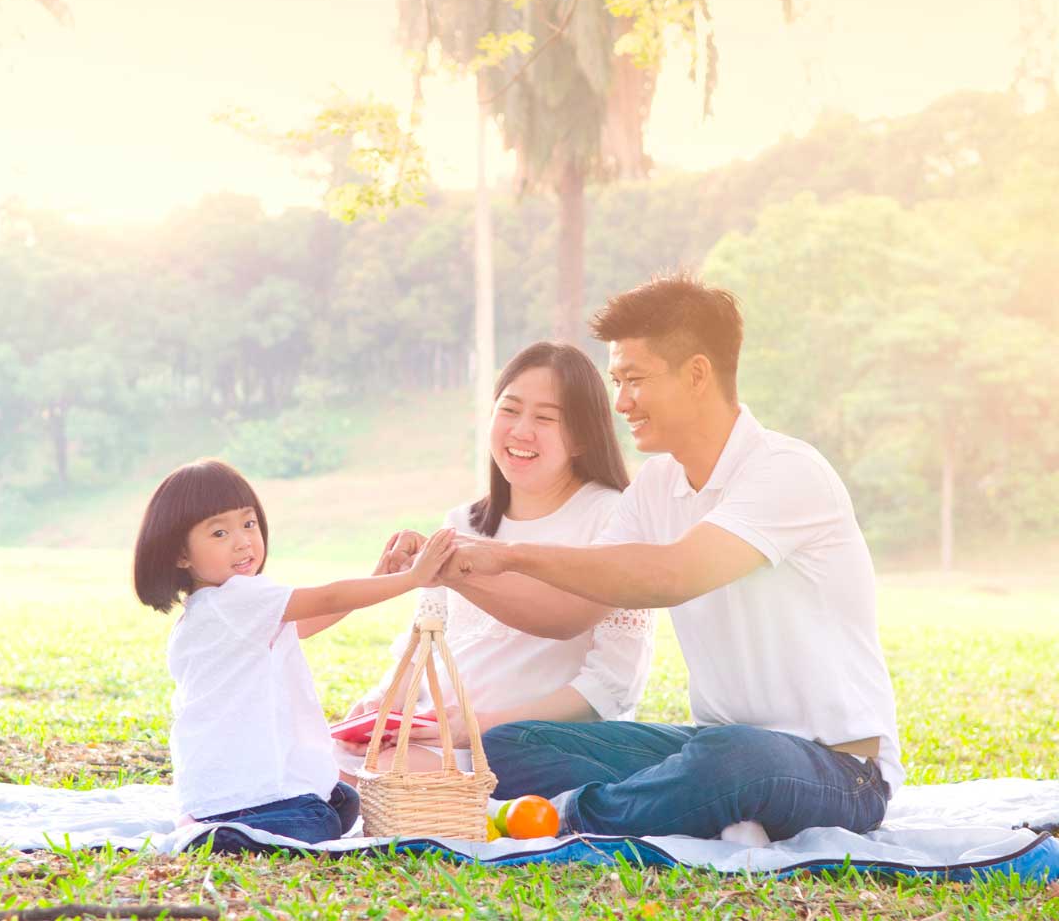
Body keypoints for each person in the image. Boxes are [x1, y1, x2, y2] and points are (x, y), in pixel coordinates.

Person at [398, 275, 902, 843]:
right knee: (513, 746)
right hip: (711, 742)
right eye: (616, 381)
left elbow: (672, 575)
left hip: (840, 769)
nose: (620, 403)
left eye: (634, 380)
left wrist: (510, 555)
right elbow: (570, 611)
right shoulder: (656, 487)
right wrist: (459, 570)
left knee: (732, 758)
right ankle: (697, 808)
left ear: (696, 374)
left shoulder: (787, 471)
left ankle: (571, 818)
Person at [340, 342, 654, 776]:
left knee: (386, 778)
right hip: (435, 734)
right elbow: (423, 645)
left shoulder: (613, 518)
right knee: (315, 760)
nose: (521, 431)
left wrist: (479, 727)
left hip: (529, 747)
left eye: (545, 418)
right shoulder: (462, 521)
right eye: (509, 410)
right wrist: (382, 703)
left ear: (583, 435)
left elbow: (612, 686)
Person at [133, 458, 455, 850]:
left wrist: (381, 575)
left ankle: (216, 820)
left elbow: (312, 619)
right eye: (219, 532)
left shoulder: (217, 606)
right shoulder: (235, 599)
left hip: (234, 780)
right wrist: (410, 580)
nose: (242, 541)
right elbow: (329, 596)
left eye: (248, 524)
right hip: (238, 791)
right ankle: (215, 832)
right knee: (318, 822)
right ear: (181, 555)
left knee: (342, 801)